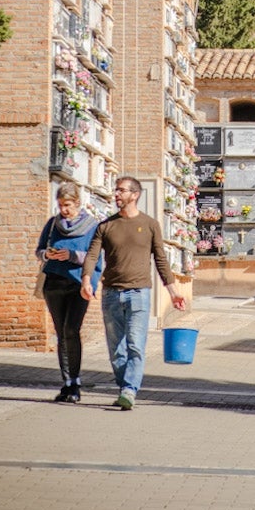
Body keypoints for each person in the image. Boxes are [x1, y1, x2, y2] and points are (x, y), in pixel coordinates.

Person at [82, 176, 185, 410]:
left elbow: (160, 259)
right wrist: (86, 280)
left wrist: (173, 291)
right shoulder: (105, 226)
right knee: (116, 349)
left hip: (139, 293)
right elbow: (91, 255)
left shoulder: (150, 225)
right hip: (111, 294)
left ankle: (129, 390)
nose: (116, 194)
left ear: (135, 194)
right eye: (115, 190)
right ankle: (125, 386)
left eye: (121, 190)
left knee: (136, 345)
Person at [34, 182, 103, 403]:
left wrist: (71, 255)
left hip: (77, 285)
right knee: (60, 333)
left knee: (71, 330)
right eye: (61, 205)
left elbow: (96, 257)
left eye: (68, 205)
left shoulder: (92, 226)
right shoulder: (53, 224)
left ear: (78, 203)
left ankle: (76, 383)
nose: (64, 210)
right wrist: (49, 255)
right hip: (54, 283)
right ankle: (66, 383)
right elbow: (39, 250)